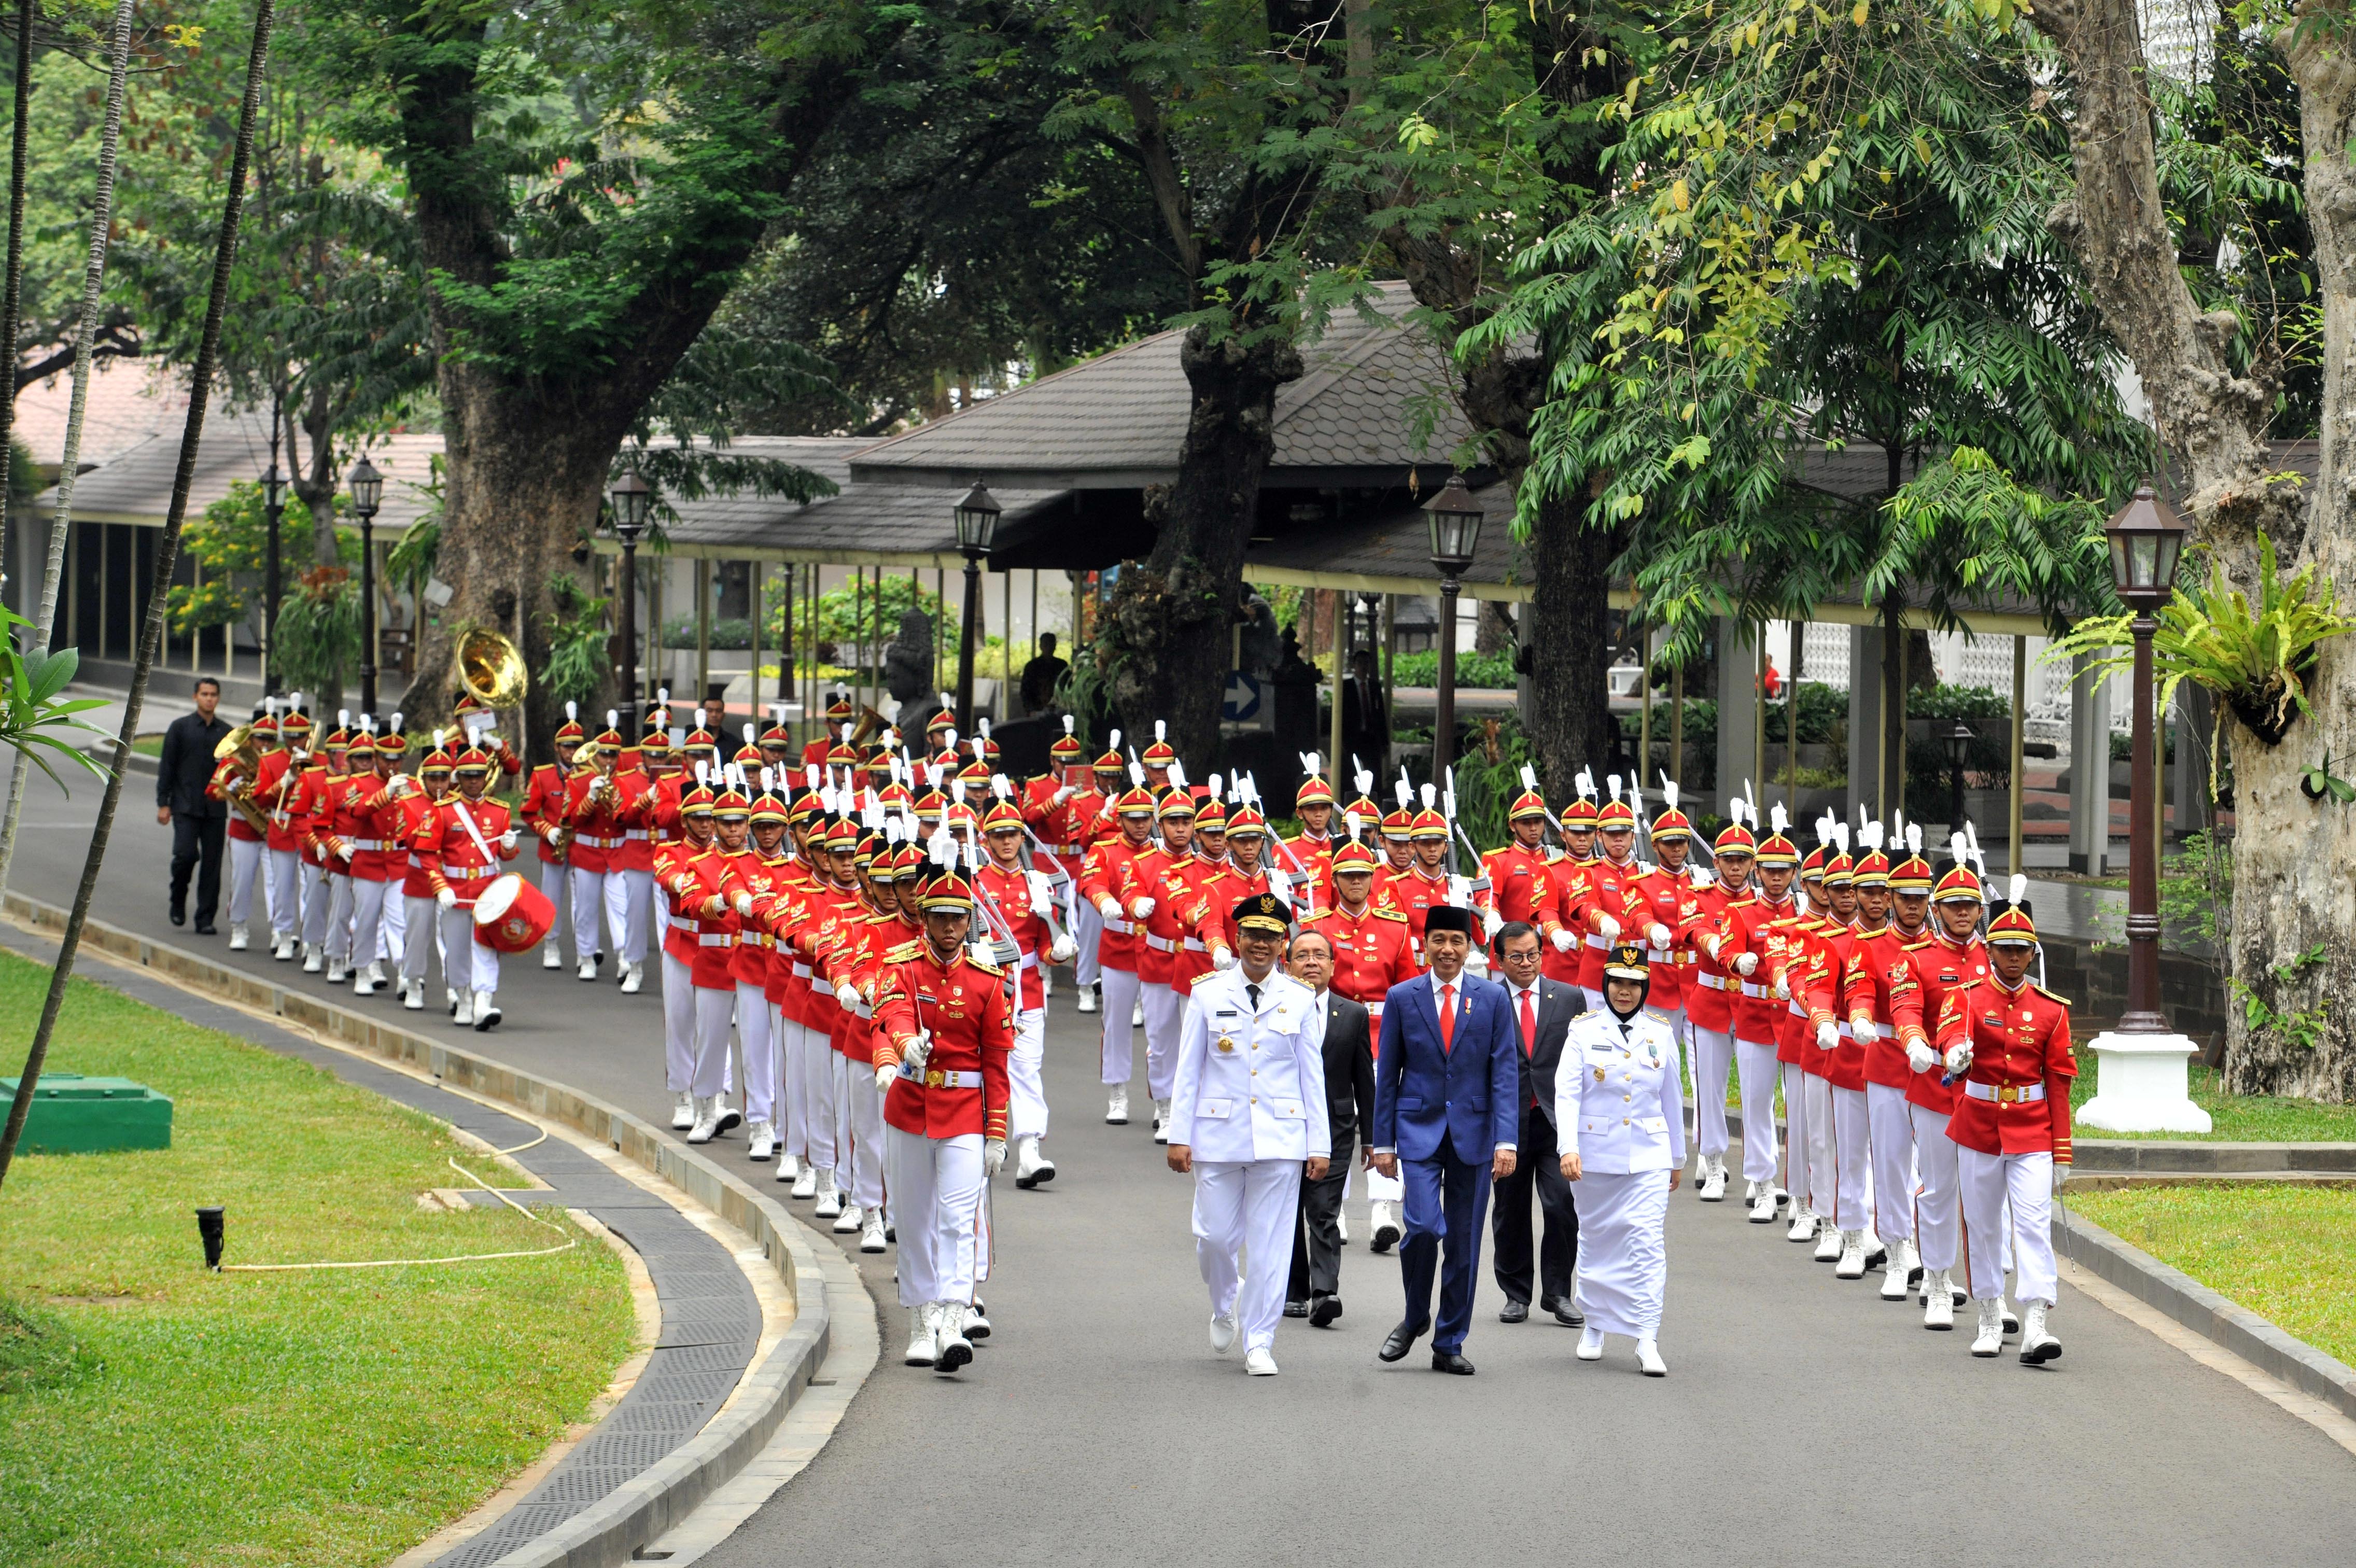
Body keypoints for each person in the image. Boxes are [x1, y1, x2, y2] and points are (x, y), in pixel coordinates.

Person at [1167, 892, 1330, 1376]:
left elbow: (1311, 1077)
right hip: (1219, 1133)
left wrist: (1319, 1144)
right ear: (1237, 938)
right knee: (1215, 1238)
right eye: (1252, 935)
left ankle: (1260, 1339)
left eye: (1271, 937)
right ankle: (1225, 1301)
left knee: (1271, 1246)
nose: (1260, 944)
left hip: (1281, 1138)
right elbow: (1188, 1070)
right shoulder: (1207, 993)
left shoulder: (1300, 999)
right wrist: (1180, 1135)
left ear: (1284, 943)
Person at [872, 867, 1015, 1376]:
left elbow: (997, 1064)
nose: (949, 927)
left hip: (963, 1118)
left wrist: (996, 1134)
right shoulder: (903, 967)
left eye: (958, 918)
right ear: (926, 920)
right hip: (909, 1110)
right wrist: (904, 1043)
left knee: (958, 1221)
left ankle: (953, 1321)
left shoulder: (987, 981)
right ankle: (920, 1321)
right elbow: (889, 1011)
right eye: (939, 918)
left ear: (969, 920)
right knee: (913, 1224)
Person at [1370, 904, 1519, 1375]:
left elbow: (1505, 1074)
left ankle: (1449, 1340)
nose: (1448, 950)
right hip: (1417, 1131)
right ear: (1425, 945)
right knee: (1422, 1228)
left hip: (1475, 1135)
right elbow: (1387, 1073)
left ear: (1470, 947)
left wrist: (1507, 1140)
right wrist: (1383, 1142)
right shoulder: (1402, 996)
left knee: (1463, 1243)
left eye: (1457, 941)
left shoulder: (1493, 999)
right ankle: (1415, 1317)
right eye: (1439, 940)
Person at [1935, 897, 2073, 1364]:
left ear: (2033, 954)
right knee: (1983, 1224)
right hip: (1979, 1127)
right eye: (2004, 949)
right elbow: (1951, 1032)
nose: (2013, 958)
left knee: (2033, 1223)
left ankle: (2036, 1321)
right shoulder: (1968, 996)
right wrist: (1955, 1054)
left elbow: (2058, 1082)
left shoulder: (2052, 1010)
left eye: (2022, 950)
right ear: (1989, 950)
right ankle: (1990, 1313)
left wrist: (2064, 1150)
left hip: (2032, 1131)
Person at [1556, 943, 1686, 1376]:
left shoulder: (1661, 1032)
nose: (1625, 992)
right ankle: (1595, 1324)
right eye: (1617, 983)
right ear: (1605, 984)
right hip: (1594, 1155)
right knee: (1597, 1240)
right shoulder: (1584, 1031)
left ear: (1645, 987)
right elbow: (1568, 1093)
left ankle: (1647, 1335)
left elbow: (1672, 1098)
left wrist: (1677, 1157)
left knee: (1646, 1241)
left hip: (1649, 1154)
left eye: (1634, 984)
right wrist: (1568, 1147)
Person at [1488, 921, 1586, 1327]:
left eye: (1533, 955)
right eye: (1516, 956)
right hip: (1507, 1122)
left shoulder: (1568, 998)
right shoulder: (1487, 999)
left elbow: (1581, 1061)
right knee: (1510, 1209)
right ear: (1499, 960)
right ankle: (1516, 1294)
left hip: (1553, 1120)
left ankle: (1558, 1292)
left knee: (1561, 1203)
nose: (1526, 963)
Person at [1282, 927, 1373, 1329]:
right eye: (1302, 956)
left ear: (1334, 966)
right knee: (1286, 1210)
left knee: (1322, 1211)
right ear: (1287, 966)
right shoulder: (1276, 1009)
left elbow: (1364, 1081)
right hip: (1283, 1126)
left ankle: (1324, 1294)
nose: (1312, 962)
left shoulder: (1352, 1014)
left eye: (1320, 955)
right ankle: (1293, 1290)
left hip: (1335, 1129)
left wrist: (1372, 1137)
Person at [156, 676, 231, 933]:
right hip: (185, 806)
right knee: (185, 856)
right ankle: (178, 899)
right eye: (204, 694)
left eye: (213, 694)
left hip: (215, 809)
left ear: (218, 698)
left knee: (212, 865)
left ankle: (205, 918)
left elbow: (232, 772)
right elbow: (167, 767)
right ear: (195, 697)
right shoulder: (180, 728)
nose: (209, 698)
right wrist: (163, 804)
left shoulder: (227, 733)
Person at [1019, 632, 1069, 716]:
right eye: (1046, 644)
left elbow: (1067, 688)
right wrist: (1031, 709)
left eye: (1051, 644)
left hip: (1058, 710)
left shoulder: (1062, 665)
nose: (1049, 648)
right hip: (1037, 709)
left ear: (1055, 646)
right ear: (1041, 646)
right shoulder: (1032, 666)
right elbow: (1025, 691)